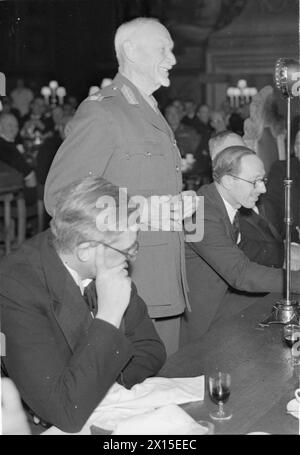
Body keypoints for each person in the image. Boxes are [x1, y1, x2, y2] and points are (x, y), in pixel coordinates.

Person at [44, 18, 197, 355]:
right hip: (127, 285)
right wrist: (142, 207)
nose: (173, 59)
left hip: (160, 279)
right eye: (164, 49)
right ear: (131, 50)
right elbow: (60, 197)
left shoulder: (148, 110)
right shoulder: (104, 112)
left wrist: (176, 206)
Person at [0, 176, 166, 433]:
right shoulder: (16, 287)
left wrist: (94, 389)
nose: (133, 257)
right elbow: (65, 413)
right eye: (128, 250)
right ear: (86, 250)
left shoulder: (104, 258)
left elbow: (151, 348)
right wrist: (109, 315)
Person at [181, 146, 300, 345]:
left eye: (263, 180)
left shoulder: (224, 205)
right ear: (228, 181)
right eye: (255, 182)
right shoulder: (200, 214)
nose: (263, 189)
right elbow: (241, 274)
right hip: (206, 326)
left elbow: (250, 251)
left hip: (228, 306)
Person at [263, 129, 300, 243]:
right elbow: (271, 208)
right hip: (292, 241)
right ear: (295, 149)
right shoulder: (283, 170)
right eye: (299, 143)